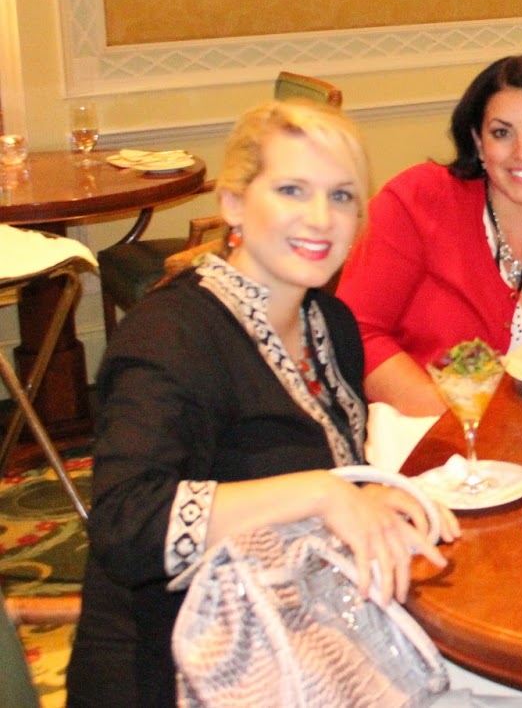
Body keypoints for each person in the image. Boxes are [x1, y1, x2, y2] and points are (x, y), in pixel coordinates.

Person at [67, 101, 458, 708]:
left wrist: (362, 495)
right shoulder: (171, 335)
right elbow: (126, 524)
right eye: (292, 190)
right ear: (233, 203)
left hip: (301, 638)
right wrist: (323, 494)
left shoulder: (330, 323)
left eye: (342, 196)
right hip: (183, 670)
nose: (321, 219)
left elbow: (301, 475)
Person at [340, 54, 522, 414]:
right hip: (427, 432)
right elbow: (355, 333)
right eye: (501, 133)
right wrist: (455, 415)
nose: (521, 153)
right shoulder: (419, 199)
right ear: (479, 142)